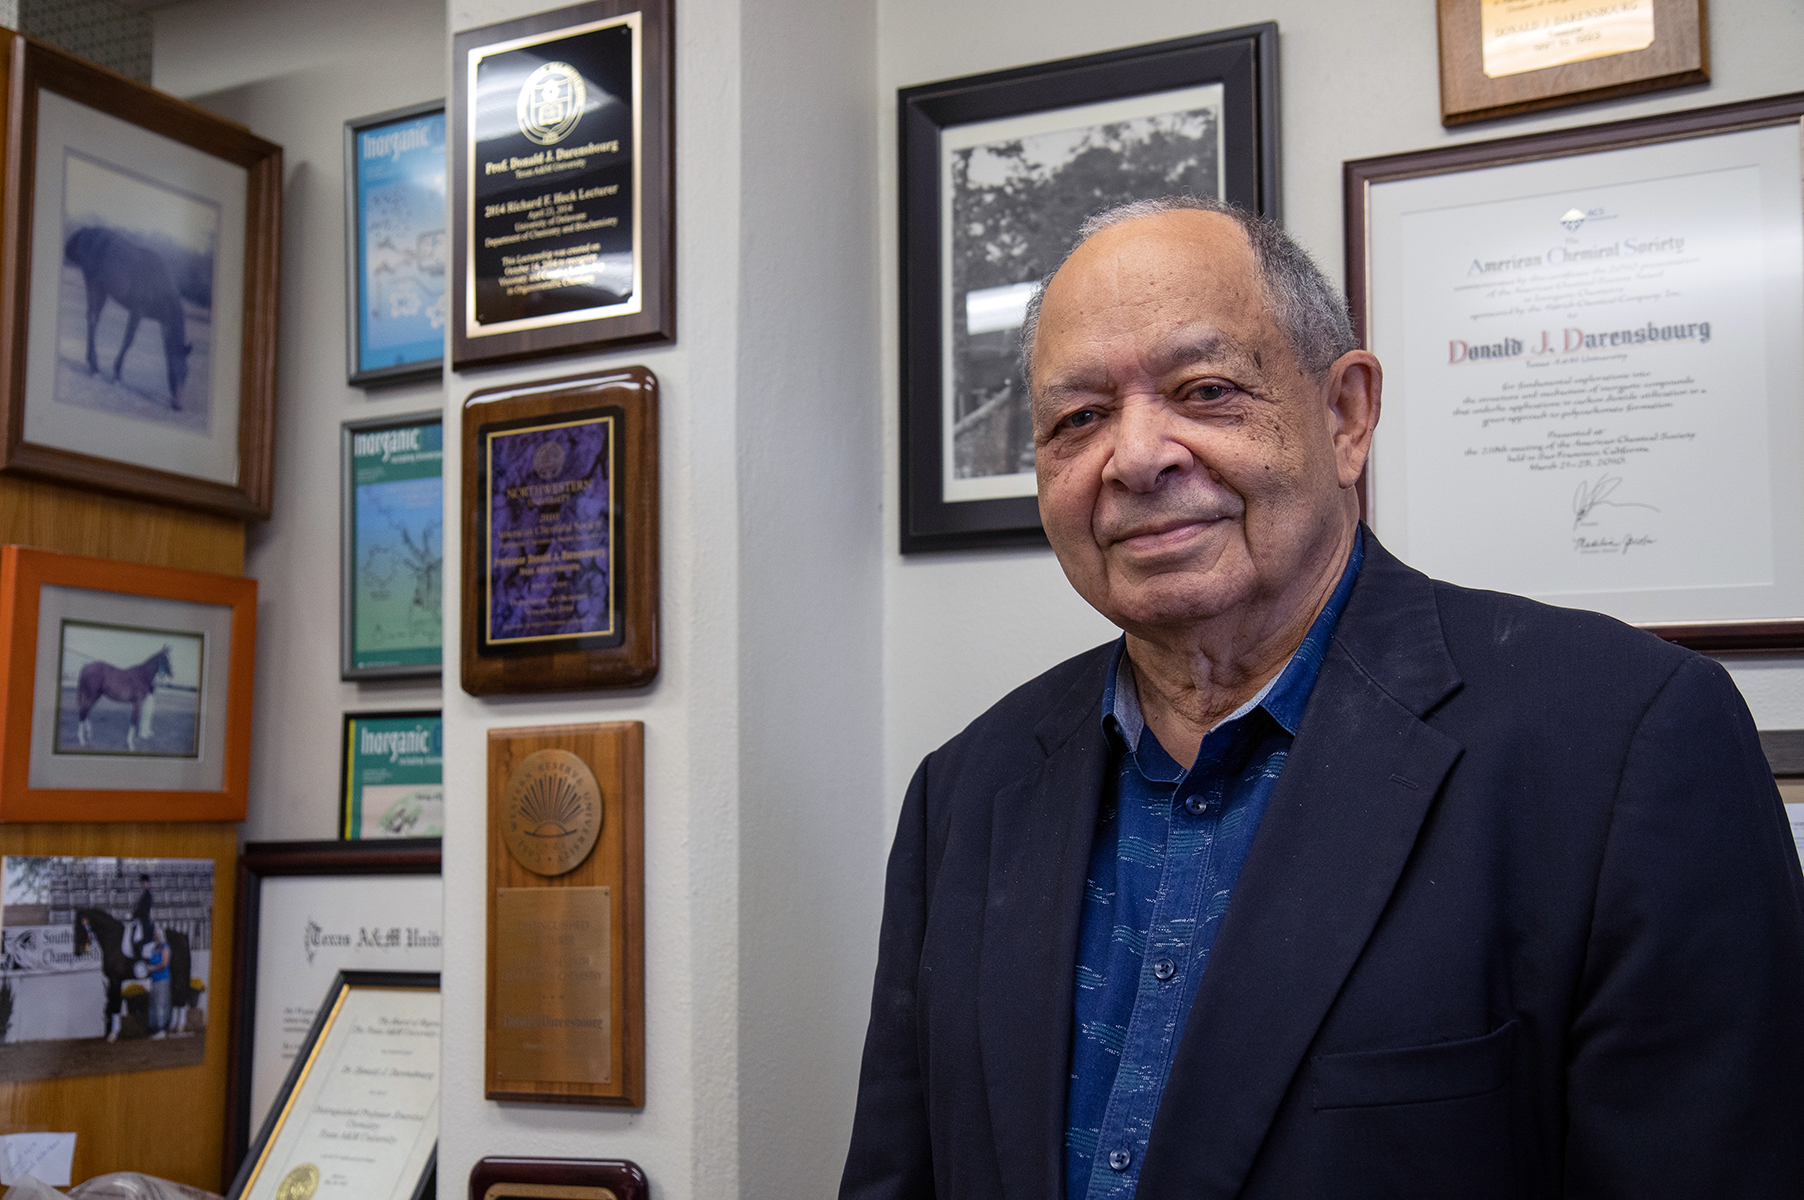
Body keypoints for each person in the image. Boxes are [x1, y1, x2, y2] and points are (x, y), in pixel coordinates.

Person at [840, 197, 1804, 1199]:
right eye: (1078, 419)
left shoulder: (1625, 742)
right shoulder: (966, 791)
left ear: (1345, 415)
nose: (1133, 457)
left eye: (1205, 389)